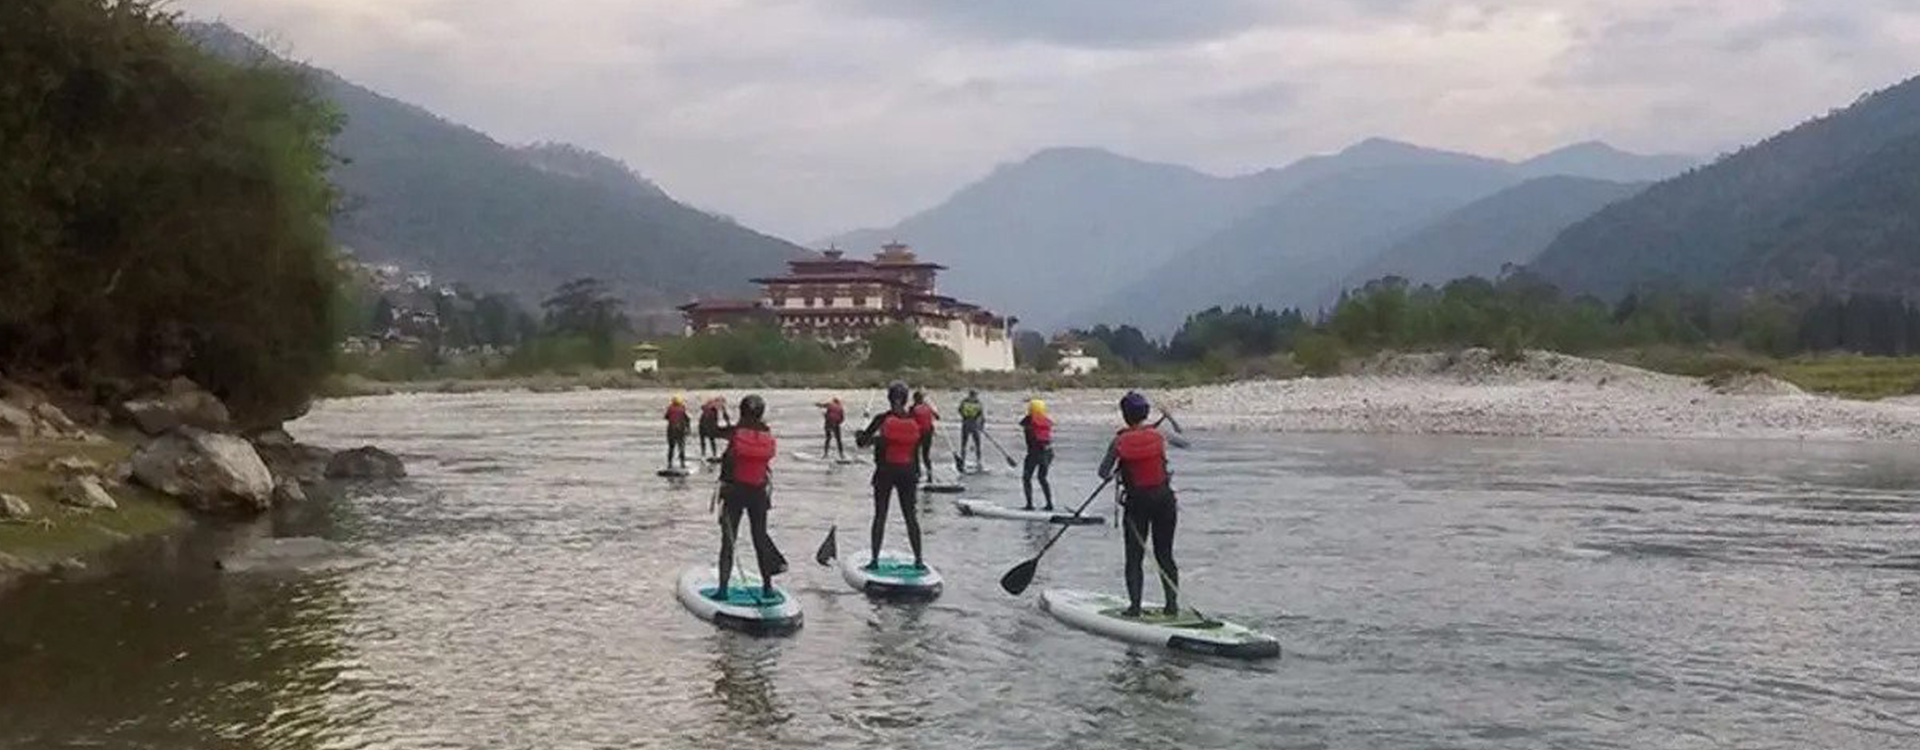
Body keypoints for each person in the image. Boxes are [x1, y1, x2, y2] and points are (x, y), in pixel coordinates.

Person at [1097, 391, 1178, 618]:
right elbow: (1183, 443)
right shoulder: (1159, 435)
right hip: (1165, 501)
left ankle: (1134, 608)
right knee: (1165, 555)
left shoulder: (1118, 441)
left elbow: (1103, 473)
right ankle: (1172, 606)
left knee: (1134, 558)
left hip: (1137, 505)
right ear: (1145, 413)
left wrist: (1119, 468)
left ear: (1125, 415)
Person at [713, 394, 786, 598]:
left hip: (734, 492)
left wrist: (714, 409)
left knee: (729, 542)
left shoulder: (735, 432)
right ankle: (768, 587)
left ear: (742, 410)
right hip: (759, 493)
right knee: (760, 539)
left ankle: (722, 590)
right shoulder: (766, 433)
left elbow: (709, 430)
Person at [855, 381, 926, 570]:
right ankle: (919, 560)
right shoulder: (914, 420)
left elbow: (863, 443)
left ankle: (874, 561)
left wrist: (860, 435)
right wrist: (917, 472)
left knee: (880, 515)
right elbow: (916, 449)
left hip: (885, 471)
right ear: (906, 399)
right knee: (910, 516)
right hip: (908, 472)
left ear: (889, 398)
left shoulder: (881, 419)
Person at [1019, 398, 1053, 510]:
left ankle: (1029, 505)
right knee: (1042, 478)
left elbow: (1022, 424)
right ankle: (1049, 504)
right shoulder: (1045, 421)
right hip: (1048, 453)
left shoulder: (1029, 421)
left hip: (1034, 453)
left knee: (1026, 478)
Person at [909, 390, 939, 476]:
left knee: (914, 454)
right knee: (925, 455)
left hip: (918, 434)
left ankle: (917, 472)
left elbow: (908, 420)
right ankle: (929, 472)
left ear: (915, 399)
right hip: (928, 433)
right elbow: (937, 417)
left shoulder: (913, 408)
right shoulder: (927, 407)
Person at [957, 389, 985, 470]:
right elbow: (981, 415)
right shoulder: (978, 403)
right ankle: (978, 461)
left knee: (964, 444)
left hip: (965, 423)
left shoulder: (964, 402)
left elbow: (960, 410)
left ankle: (963, 460)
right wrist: (981, 425)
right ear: (974, 395)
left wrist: (964, 417)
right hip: (974, 424)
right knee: (977, 444)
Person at [664, 394, 691, 468]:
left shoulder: (670, 408)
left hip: (671, 430)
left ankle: (669, 464)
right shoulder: (682, 408)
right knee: (681, 446)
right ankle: (682, 464)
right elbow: (687, 419)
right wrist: (688, 430)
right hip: (680, 430)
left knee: (671, 447)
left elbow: (666, 417)